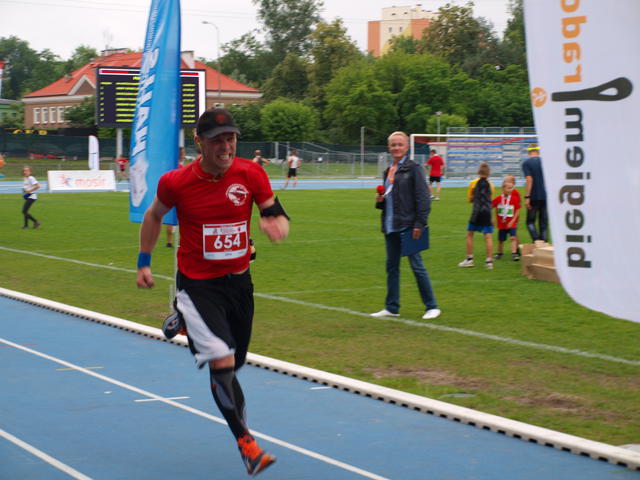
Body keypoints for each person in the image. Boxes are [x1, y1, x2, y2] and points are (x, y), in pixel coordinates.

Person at [135, 108, 289, 476]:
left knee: (234, 365)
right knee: (221, 361)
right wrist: (144, 261)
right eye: (217, 139)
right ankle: (246, 444)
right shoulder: (176, 182)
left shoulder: (251, 174)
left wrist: (277, 223)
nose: (226, 146)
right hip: (199, 285)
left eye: (230, 138)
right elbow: (154, 215)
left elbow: (274, 210)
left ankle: (184, 320)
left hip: (239, 284)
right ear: (199, 142)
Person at [370, 131, 441, 320]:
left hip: (408, 225)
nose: (396, 148)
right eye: (393, 145)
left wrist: (419, 224)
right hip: (390, 225)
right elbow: (390, 199)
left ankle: (432, 306)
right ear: (389, 148)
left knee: (417, 266)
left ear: (407, 147)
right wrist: (380, 201)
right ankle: (392, 307)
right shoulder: (388, 170)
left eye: (400, 144)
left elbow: (423, 198)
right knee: (392, 268)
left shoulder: (414, 168)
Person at [458, 162, 495, 269]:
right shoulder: (491, 185)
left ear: (478, 172)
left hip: (477, 212)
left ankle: (469, 259)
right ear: (489, 173)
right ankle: (489, 262)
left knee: (470, 234)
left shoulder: (473, 183)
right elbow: (489, 199)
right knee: (488, 236)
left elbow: (470, 199)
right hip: (487, 212)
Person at [522, 144, 548, 242]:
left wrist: (527, 197)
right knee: (543, 223)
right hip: (545, 196)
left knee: (530, 222)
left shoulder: (526, 163)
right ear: (538, 151)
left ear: (529, 152)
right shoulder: (545, 162)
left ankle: (536, 241)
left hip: (533, 196)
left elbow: (529, 179)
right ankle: (544, 243)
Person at [492, 174, 521, 261]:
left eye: (511, 188)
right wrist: (491, 218)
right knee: (501, 240)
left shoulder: (514, 199)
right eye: (508, 188)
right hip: (502, 224)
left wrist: (513, 221)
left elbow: (517, 210)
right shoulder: (498, 199)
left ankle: (514, 254)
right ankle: (499, 253)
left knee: (513, 237)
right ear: (503, 188)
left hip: (512, 224)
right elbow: (490, 206)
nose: (510, 190)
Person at [165, 147, 187, 248]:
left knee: (170, 220)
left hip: (168, 195)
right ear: (180, 155)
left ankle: (169, 242)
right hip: (179, 196)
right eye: (183, 153)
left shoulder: (170, 166)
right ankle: (179, 242)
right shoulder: (181, 168)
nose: (184, 155)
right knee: (182, 220)